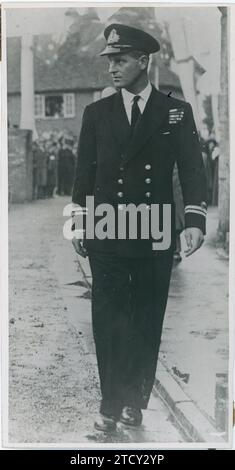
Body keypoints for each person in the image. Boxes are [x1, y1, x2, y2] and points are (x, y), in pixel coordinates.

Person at [72, 23, 207, 432]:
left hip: (155, 233)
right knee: (108, 321)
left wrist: (196, 221)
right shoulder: (97, 114)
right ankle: (109, 408)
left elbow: (192, 169)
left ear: (143, 61)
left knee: (146, 320)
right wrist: (78, 221)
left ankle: (134, 402)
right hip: (107, 233)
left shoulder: (175, 111)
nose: (112, 68)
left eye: (121, 60)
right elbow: (84, 174)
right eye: (109, 60)